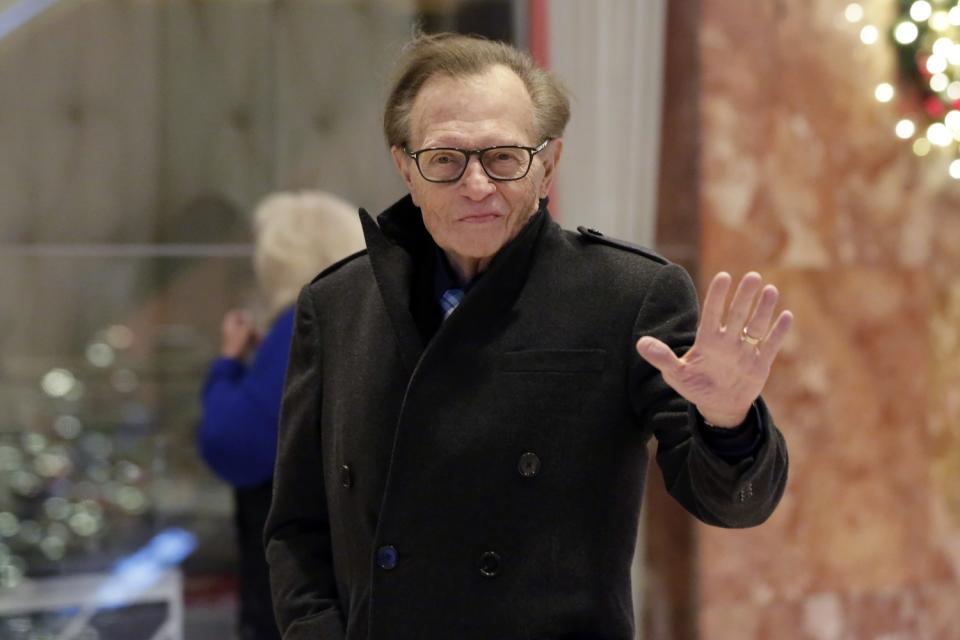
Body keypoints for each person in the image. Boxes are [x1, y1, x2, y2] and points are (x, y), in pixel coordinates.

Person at [264, 33, 794, 640]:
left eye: (504, 158)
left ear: (548, 165)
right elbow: (296, 528)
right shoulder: (336, 304)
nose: (477, 186)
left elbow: (731, 502)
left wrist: (728, 422)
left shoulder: (628, 295)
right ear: (405, 168)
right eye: (445, 159)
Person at [198, 190, 364, 640]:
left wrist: (228, 364)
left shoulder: (303, 321)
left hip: (302, 585)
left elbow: (235, 443)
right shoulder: (361, 318)